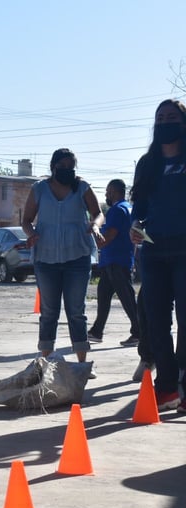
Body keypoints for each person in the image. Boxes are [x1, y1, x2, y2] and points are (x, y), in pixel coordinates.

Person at [21, 148, 104, 372]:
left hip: (77, 257)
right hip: (45, 259)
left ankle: (83, 364)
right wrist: (31, 234)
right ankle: (45, 362)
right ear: (53, 166)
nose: (67, 171)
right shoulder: (39, 189)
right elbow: (26, 220)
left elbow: (98, 213)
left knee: (76, 310)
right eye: (62, 167)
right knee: (49, 311)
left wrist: (95, 226)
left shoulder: (82, 187)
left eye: (71, 167)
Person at [129, 98, 186, 412]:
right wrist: (135, 225)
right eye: (160, 117)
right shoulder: (147, 163)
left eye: (171, 117)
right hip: (153, 250)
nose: (165, 122)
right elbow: (139, 208)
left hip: (185, 249)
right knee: (156, 321)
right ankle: (165, 386)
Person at [87, 179, 140, 347]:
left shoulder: (117, 210)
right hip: (116, 260)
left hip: (115, 261)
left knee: (128, 299)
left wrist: (93, 230)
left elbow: (106, 238)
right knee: (103, 297)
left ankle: (139, 332)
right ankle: (96, 331)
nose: (106, 196)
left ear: (113, 192)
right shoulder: (129, 208)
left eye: (107, 192)